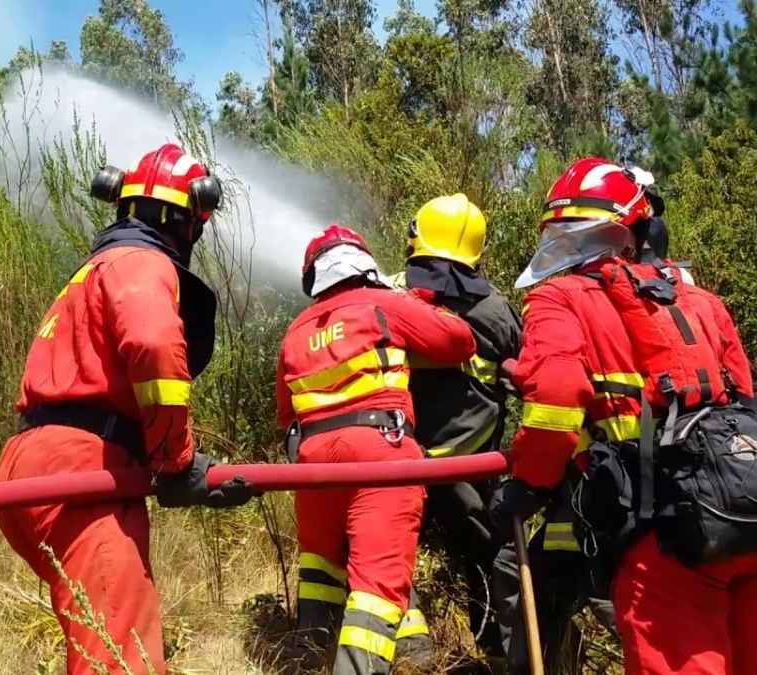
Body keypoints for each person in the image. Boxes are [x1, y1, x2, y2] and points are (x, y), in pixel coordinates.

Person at [490, 158, 757, 674]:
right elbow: (742, 398)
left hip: (664, 532)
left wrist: (529, 482)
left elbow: (558, 393)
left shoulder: (559, 299)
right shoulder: (702, 302)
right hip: (744, 513)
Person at [0, 144, 253, 675]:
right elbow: (155, 347)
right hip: (84, 474)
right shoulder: (142, 264)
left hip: (34, 466)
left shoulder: (92, 271)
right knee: (121, 657)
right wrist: (177, 461)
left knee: (95, 645)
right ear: (190, 221)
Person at [278, 225, 476, 675]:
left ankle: (324, 657)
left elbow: (284, 412)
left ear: (314, 277)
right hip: (380, 455)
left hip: (311, 467)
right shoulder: (383, 304)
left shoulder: (295, 330)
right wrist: (416, 305)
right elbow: (460, 341)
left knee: (321, 571)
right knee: (375, 587)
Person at [391, 194, 522, 667]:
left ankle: (414, 653)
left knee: (386, 548)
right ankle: (500, 652)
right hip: (473, 466)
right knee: (488, 557)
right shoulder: (496, 310)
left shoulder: (393, 297)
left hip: (401, 460)